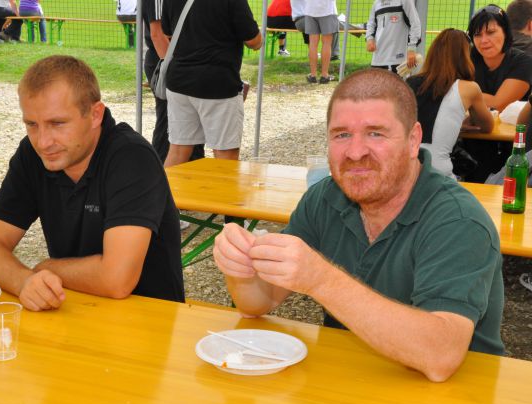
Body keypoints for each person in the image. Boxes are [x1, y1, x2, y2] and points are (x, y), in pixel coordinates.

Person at [213, 68, 505, 382]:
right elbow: (258, 302)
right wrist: (240, 265)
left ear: (412, 140)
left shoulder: (457, 220)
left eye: (376, 133)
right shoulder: (324, 200)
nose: (355, 152)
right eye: (341, 134)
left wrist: (320, 279)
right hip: (354, 385)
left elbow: (440, 357)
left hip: (454, 402)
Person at [0, 55, 185, 311]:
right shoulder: (32, 154)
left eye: (57, 123)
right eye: (31, 125)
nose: (43, 141)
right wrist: (24, 281)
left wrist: (47, 268)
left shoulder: (132, 157)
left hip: (148, 323)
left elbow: (117, 279)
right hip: (72, 312)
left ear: (95, 115)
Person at [161, 0, 261, 168]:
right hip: (218, 84)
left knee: (178, 150)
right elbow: (253, 40)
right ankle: (224, 195)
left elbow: (168, 32)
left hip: (180, 81)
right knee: (225, 155)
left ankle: (163, 194)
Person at [407, 29, 494, 179]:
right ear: (465, 56)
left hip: (405, 171)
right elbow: (487, 126)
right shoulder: (470, 88)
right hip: (439, 176)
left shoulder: (409, 83)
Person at [463, 4, 532, 182]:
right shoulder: (468, 60)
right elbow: (446, 89)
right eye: (477, 35)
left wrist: (467, 93)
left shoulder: (522, 61)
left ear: (506, 32)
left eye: (491, 32)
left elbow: (499, 103)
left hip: (511, 150)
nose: (484, 40)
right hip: (471, 147)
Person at [141, 0, 204, 164]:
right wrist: (175, 66)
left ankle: (193, 170)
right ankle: (161, 177)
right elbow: (157, 34)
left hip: (181, 62)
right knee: (169, 125)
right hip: (167, 61)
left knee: (191, 124)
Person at [366, 0, 421, 73]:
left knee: (398, 84)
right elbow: (371, 23)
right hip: (378, 60)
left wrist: (411, 49)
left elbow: (415, 24)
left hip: (398, 60)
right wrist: (370, 39)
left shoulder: (405, 1)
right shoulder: (376, 3)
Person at [305, 0, 338, 83]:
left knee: (313, 43)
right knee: (327, 43)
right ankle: (324, 75)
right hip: (327, 10)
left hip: (310, 10)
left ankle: (313, 75)